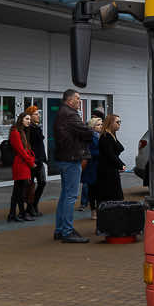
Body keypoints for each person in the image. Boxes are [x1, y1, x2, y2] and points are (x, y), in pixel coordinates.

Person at [53, 89, 94, 243]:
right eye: (77, 98)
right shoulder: (70, 114)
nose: (79, 101)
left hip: (64, 158)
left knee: (65, 195)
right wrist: (91, 130)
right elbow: (86, 132)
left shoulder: (61, 113)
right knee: (70, 196)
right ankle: (67, 231)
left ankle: (60, 229)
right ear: (70, 100)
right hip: (71, 159)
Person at [7, 112, 36, 223]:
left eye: (29, 119)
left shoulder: (21, 132)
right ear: (21, 119)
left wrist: (30, 159)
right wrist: (31, 162)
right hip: (21, 165)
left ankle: (13, 214)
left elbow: (25, 150)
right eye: (27, 119)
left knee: (17, 192)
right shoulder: (16, 132)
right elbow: (21, 151)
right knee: (19, 192)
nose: (29, 121)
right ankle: (20, 213)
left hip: (23, 164)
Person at [97, 114, 125, 202]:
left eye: (120, 122)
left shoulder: (112, 135)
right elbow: (110, 154)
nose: (119, 124)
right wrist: (121, 165)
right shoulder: (105, 136)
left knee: (115, 195)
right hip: (106, 171)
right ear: (110, 123)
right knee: (110, 195)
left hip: (112, 169)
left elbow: (119, 148)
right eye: (117, 122)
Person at [25, 106, 47, 217]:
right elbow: (30, 146)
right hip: (33, 161)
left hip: (40, 160)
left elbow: (40, 145)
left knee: (42, 182)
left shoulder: (37, 127)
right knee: (31, 185)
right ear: (30, 116)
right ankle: (30, 207)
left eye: (38, 114)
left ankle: (34, 204)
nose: (38, 116)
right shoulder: (28, 129)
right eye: (36, 114)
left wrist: (44, 158)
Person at [80, 117, 102, 220]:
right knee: (92, 190)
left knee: (99, 190)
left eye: (101, 124)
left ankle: (99, 209)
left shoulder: (102, 136)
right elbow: (88, 152)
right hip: (91, 166)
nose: (101, 126)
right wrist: (102, 153)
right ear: (92, 127)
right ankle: (93, 210)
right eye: (98, 125)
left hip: (99, 166)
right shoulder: (90, 137)